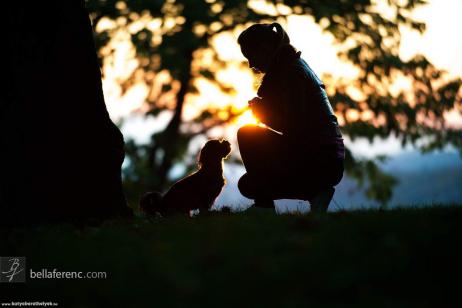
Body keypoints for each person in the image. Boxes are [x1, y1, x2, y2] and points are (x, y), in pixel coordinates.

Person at [236, 22, 345, 212]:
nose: (251, 64)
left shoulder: (292, 73)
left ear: (264, 49)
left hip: (320, 158)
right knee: (248, 184)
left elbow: (295, 127)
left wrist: (263, 114)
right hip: (326, 155)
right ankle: (315, 192)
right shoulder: (294, 66)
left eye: (251, 57)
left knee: (247, 135)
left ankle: (265, 205)